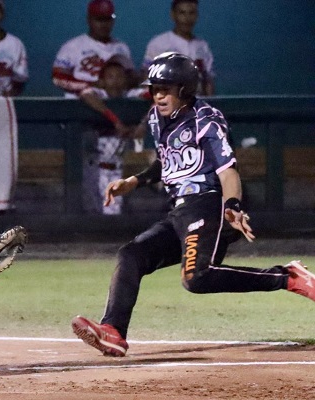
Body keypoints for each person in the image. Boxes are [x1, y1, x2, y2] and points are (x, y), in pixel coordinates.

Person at [71, 52, 315, 357]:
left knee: (196, 278)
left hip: (207, 204)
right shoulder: (159, 119)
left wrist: (234, 205)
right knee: (131, 255)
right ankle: (113, 331)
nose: (157, 95)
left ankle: (287, 277)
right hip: (179, 211)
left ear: (185, 89)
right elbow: (166, 163)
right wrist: (133, 181)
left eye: (165, 89)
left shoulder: (206, 120)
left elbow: (228, 171)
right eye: (154, 89)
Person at [52, 0, 137, 214]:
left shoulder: (121, 48)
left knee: (109, 166)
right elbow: (58, 78)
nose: (104, 24)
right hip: (83, 118)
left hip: (110, 125)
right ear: (89, 20)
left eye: (108, 19)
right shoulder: (73, 46)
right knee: (84, 173)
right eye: (99, 19)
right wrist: (91, 85)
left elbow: (129, 81)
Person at [78, 55, 141, 214]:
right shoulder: (99, 95)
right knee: (92, 211)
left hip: (119, 167)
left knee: (111, 213)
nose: (116, 80)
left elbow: (153, 95)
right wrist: (115, 121)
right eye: (110, 76)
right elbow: (85, 93)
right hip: (94, 166)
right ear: (102, 81)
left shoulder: (131, 96)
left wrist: (143, 124)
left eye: (120, 76)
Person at [142, 0, 215, 96]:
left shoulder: (202, 46)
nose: (187, 18)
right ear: (173, 15)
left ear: (197, 16)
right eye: (182, 13)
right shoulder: (159, 43)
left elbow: (208, 81)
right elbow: (146, 78)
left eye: (191, 13)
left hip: (195, 104)